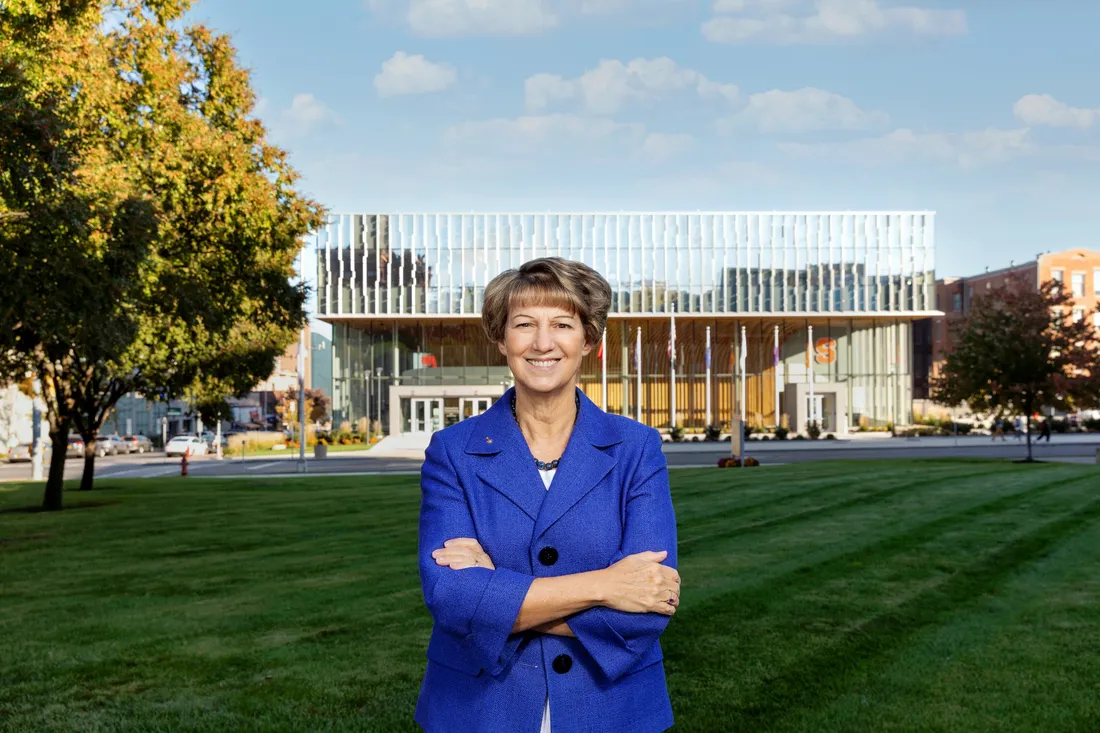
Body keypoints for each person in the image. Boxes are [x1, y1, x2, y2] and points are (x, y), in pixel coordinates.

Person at [415, 257, 681, 733]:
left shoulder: (637, 448)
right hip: (480, 710)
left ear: (589, 338)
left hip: (613, 710)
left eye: (561, 323)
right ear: (501, 339)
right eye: (524, 324)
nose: (542, 342)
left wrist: (498, 595)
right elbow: (452, 596)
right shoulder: (453, 451)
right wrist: (604, 587)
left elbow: (646, 610)